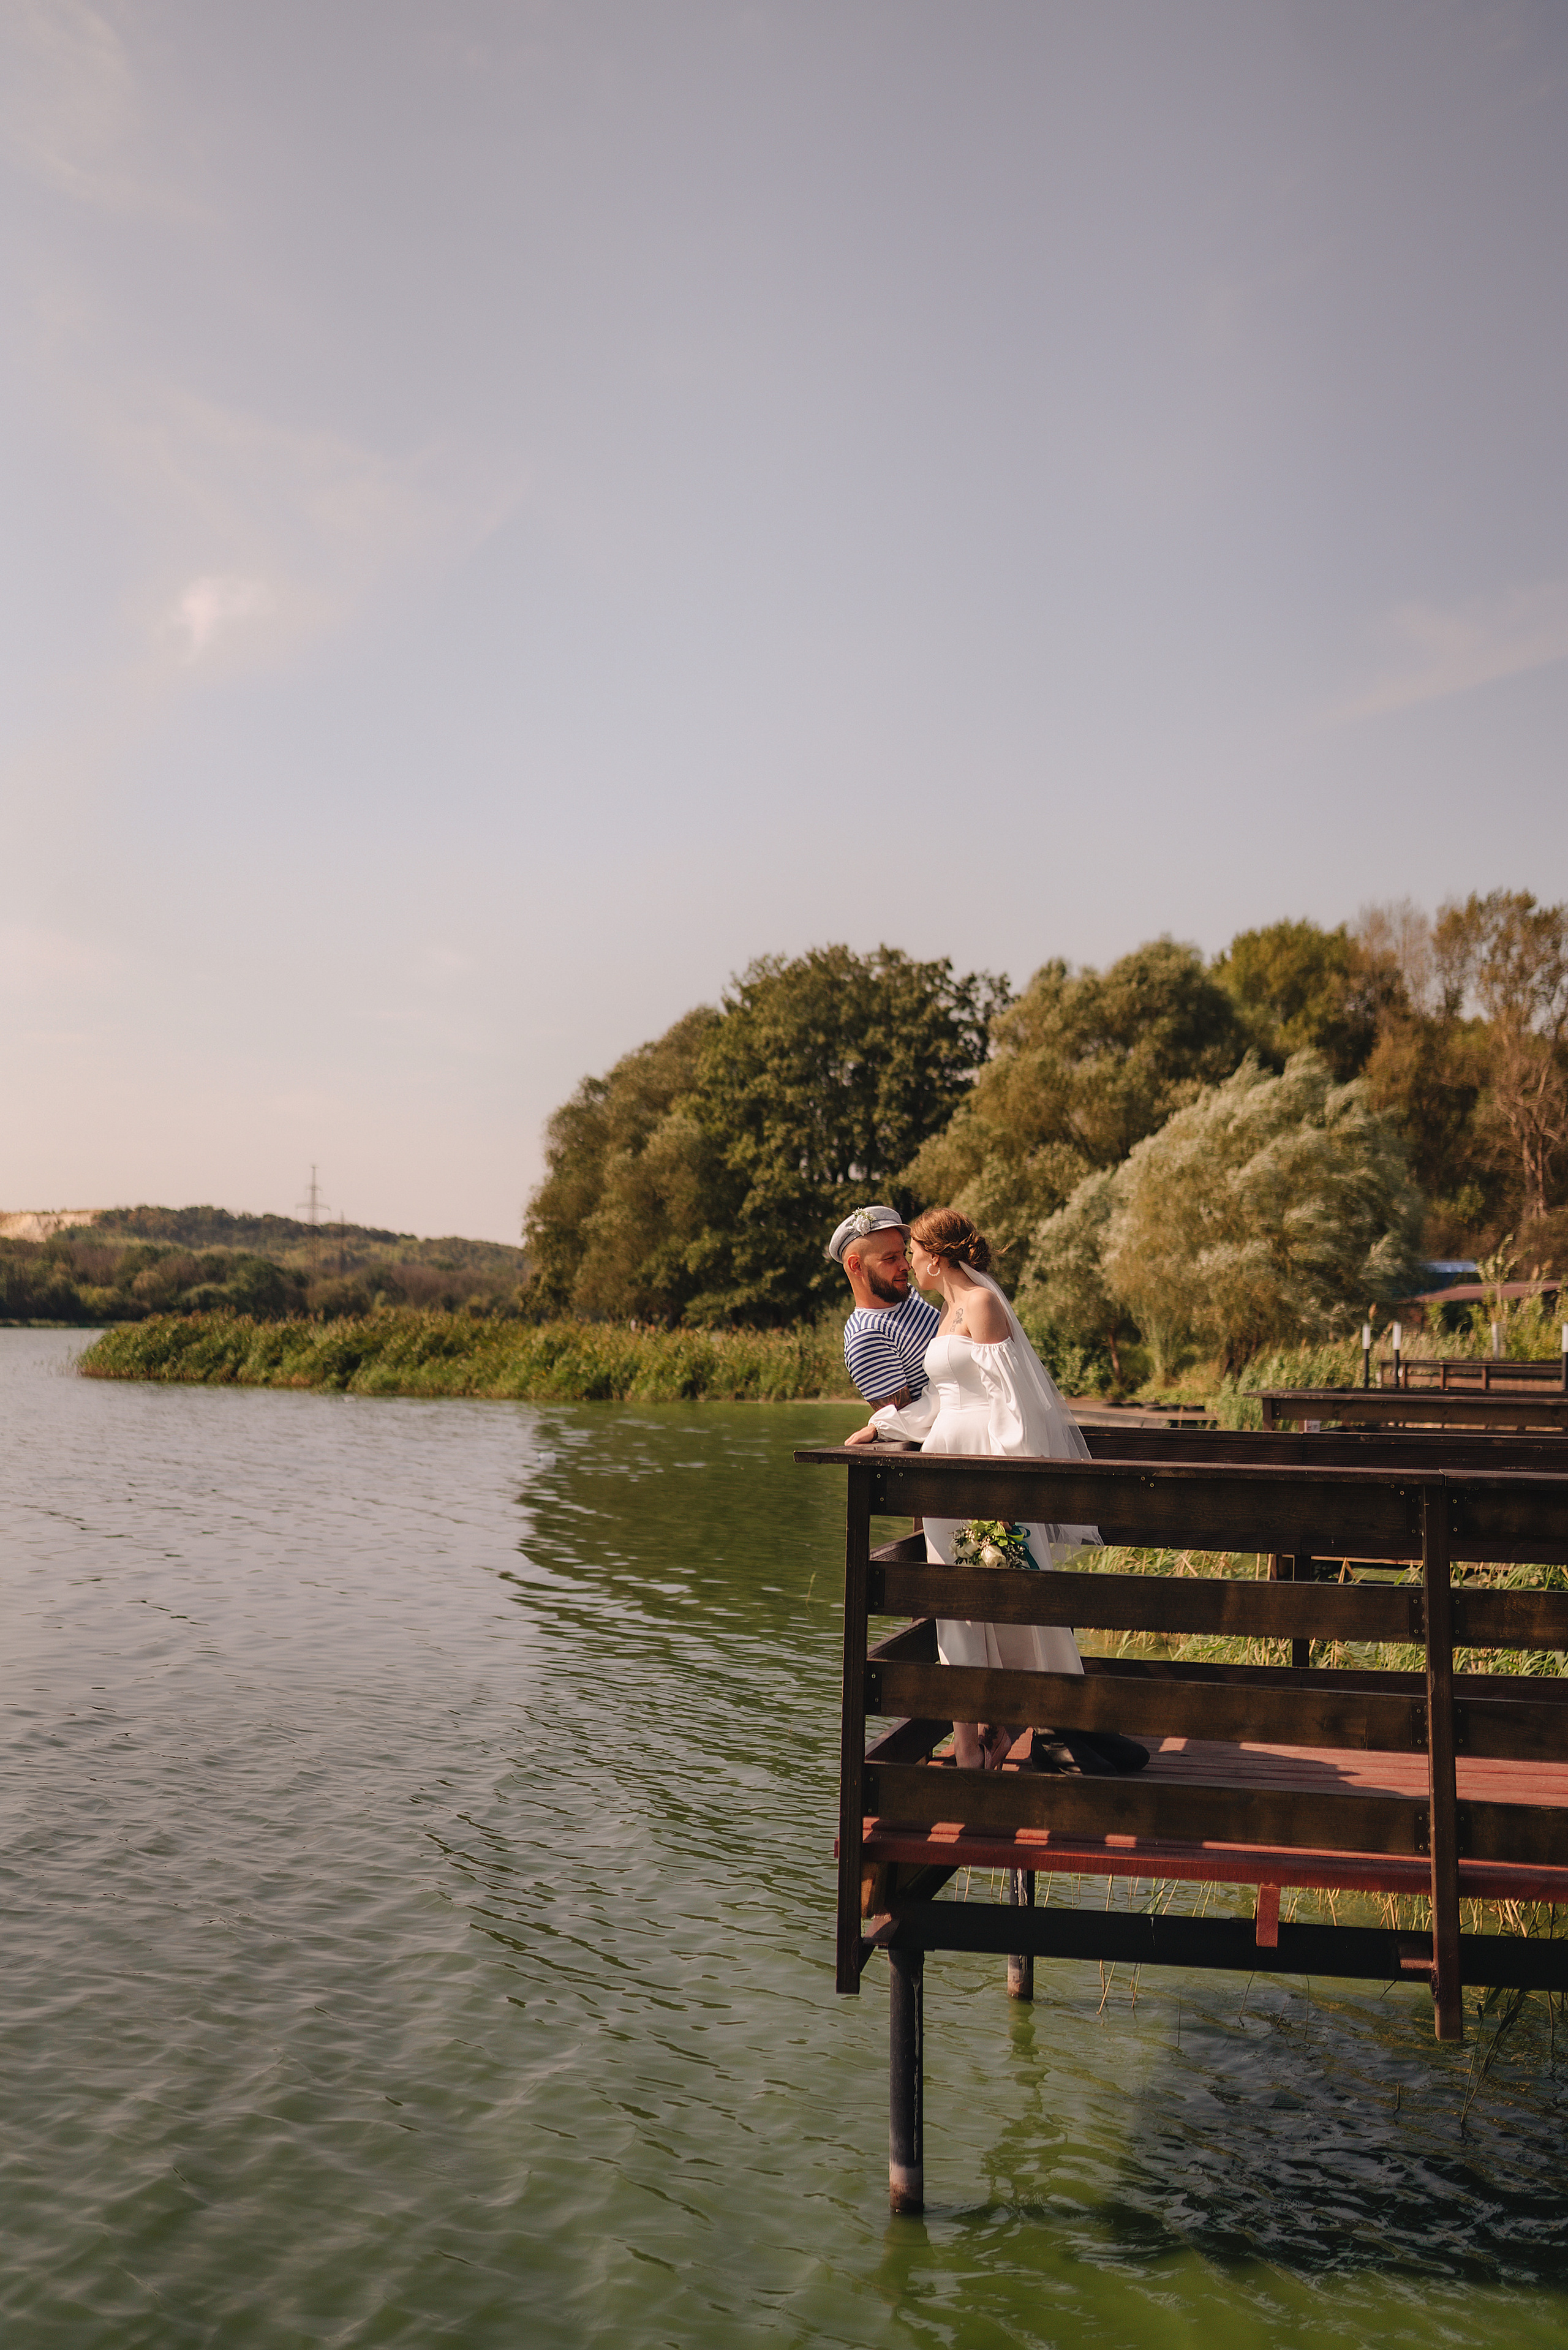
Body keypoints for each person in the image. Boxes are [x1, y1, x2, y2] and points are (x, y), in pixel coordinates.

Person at [846, 1207, 1146, 1778]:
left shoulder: (981, 1305)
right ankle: (972, 1742)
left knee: (1013, 1597)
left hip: (985, 1473)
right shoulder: (945, 1312)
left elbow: (1014, 1401)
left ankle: (1038, 1723)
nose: (908, 1260)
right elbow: (943, 1402)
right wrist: (884, 1426)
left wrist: (1003, 1483)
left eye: (912, 1251)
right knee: (952, 1604)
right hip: (945, 1471)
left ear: (935, 1256)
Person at [827, 1204, 939, 1419]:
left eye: (904, 1255)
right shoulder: (867, 1336)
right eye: (890, 1259)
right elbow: (904, 1421)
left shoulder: (906, 1295)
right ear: (856, 1266)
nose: (906, 1265)